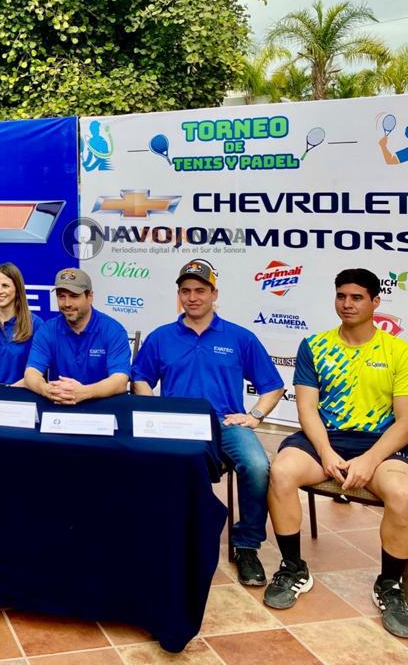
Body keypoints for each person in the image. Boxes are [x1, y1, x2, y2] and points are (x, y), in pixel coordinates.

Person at [263, 269, 408, 637]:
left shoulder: (399, 352)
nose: (348, 304)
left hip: (378, 442)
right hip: (322, 438)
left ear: (376, 302)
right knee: (280, 472)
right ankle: (293, 568)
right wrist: (326, 453)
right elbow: (307, 409)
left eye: (357, 297)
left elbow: (405, 422)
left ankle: (389, 586)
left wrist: (370, 460)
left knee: (404, 496)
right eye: (342, 296)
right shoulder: (314, 345)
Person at [132, 259, 283, 587]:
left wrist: (255, 415)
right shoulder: (161, 338)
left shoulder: (239, 337)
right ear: (179, 296)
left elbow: (273, 386)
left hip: (226, 424)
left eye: (201, 290)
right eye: (185, 291)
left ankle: (246, 545)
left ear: (215, 294)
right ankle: (167, 536)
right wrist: (155, 408)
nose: (193, 297)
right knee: (156, 463)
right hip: (178, 425)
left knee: (258, 465)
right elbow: (140, 378)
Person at [23, 268, 130, 403]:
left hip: (103, 406)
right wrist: (47, 390)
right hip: (60, 403)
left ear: (89, 297)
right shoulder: (47, 330)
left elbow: (120, 380)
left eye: (74, 296)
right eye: (61, 296)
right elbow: (31, 373)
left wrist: (85, 392)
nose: (67, 303)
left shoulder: (113, 331)